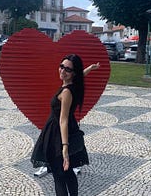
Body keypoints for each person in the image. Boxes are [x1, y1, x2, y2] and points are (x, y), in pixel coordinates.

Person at [31, 54, 100, 196]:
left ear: (73, 73)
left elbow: (63, 120)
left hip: (58, 135)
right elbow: (80, 76)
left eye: (67, 69)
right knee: (67, 173)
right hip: (65, 131)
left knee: (59, 176)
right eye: (61, 66)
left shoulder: (67, 92)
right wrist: (90, 69)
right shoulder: (73, 85)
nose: (62, 71)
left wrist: (64, 148)